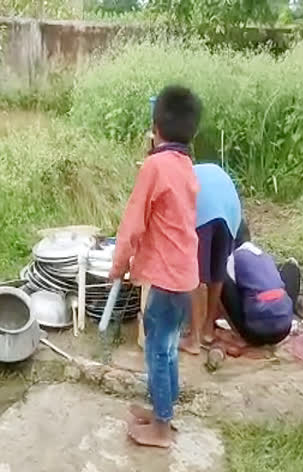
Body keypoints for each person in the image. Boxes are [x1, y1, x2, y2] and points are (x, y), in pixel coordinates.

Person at [109, 85, 201, 448]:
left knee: (157, 350)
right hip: (185, 276)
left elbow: (133, 223)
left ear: (155, 125)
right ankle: (163, 411)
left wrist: (118, 266)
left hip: (164, 279)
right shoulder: (185, 166)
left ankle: (162, 428)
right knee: (170, 346)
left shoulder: (154, 166)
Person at [180, 163, 242, 355]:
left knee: (196, 276)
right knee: (217, 272)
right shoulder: (207, 171)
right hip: (230, 213)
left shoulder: (182, 174)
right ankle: (207, 330)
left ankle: (194, 340)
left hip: (204, 210)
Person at [218, 228, 300, 347]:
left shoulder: (233, 258)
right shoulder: (264, 255)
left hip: (254, 335)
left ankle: (238, 333)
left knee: (220, 278)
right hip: (284, 330)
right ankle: (289, 313)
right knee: (289, 267)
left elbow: (228, 292)